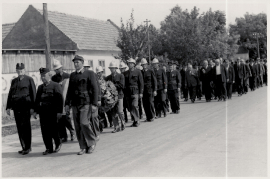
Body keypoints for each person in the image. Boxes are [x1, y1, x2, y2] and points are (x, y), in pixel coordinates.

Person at [65, 55, 99, 155]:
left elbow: (95, 89)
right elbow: (69, 91)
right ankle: (83, 147)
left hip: (86, 103)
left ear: (82, 63)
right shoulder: (72, 75)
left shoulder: (89, 73)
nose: (76, 64)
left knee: (84, 123)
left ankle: (92, 143)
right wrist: (67, 103)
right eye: (74, 63)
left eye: (77, 62)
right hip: (75, 103)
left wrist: (94, 103)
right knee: (77, 126)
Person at [6, 63, 36, 155]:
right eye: (18, 70)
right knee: (19, 127)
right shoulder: (14, 81)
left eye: (21, 70)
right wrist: (8, 107)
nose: (20, 72)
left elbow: (33, 94)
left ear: (24, 70)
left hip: (26, 107)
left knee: (26, 127)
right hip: (16, 107)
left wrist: (33, 108)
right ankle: (23, 147)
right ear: (16, 71)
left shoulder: (29, 79)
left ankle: (28, 147)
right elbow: (10, 94)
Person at [34, 68, 63, 155]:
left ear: (49, 75)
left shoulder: (55, 85)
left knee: (53, 129)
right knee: (45, 131)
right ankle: (48, 148)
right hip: (43, 112)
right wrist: (36, 111)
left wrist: (59, 112)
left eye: (44, 76)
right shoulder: (40, 87)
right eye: (41, 76)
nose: (43, 78)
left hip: (53, 112)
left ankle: (58, 143)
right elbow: (37, 100)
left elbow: (60, 100)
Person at [51, 59, 75, 142]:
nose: (57, 70)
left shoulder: (67, 76)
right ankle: (63, 136)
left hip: (66, 100)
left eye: (58, 69)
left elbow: (71, 89)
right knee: (59, 118)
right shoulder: (53, 78)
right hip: (58, 100)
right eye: (55, 69)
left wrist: (70, 101)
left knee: (66, 118)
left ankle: (72, 131)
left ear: (61, 68)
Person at [105, 61, 126, 133]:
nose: (111, 69)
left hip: (119, 96)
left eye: (113, 68)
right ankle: (116, 126)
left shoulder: (121, 76)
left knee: (120, 111)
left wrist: (112, 86)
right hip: (112, 98)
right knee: (113, 112)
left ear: (115, 68)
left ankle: (123, 122)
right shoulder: (108, 77)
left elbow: (122, 85)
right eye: (110, 68)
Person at [123, 58, 144, 127]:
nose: (130, 64)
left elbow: (141, 83)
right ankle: (135, 121)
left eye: (131, 63)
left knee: (134, 105)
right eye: (129, 63)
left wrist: (141, 92)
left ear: (134, 64)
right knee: (130, 108)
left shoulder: (138, 72)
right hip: (128, 92)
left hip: (135, 91)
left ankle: (137, 120)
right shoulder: (125, 73)